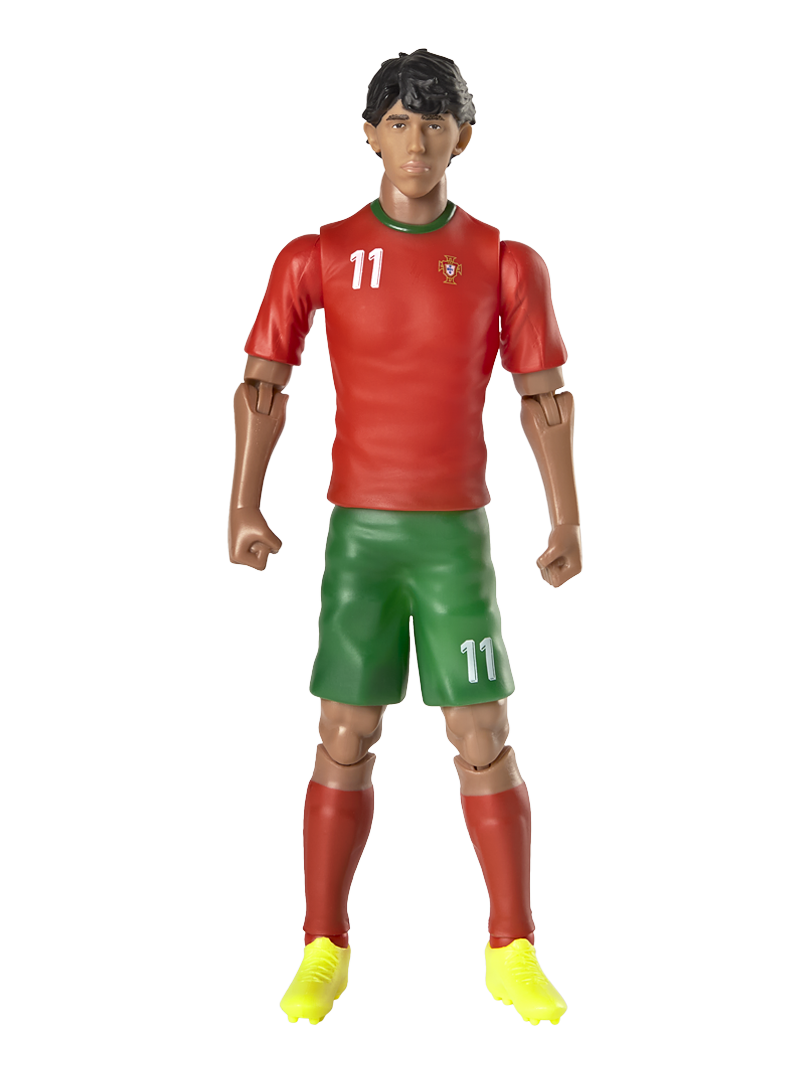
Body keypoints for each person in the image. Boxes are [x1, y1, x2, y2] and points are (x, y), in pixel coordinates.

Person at [228, 49, 580, 1025]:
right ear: (369, 133)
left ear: (463, 137)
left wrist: (565, 516)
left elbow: (544, 398)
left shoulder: (506, 261)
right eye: (397, 121)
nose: (416, 142)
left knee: (482, 733)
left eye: (434, 123)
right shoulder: (318, 255)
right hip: (362, 537)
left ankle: (512, 946)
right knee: (344, 733)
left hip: (454, 539)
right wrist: (243, 501)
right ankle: (323, 944)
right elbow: (263, 382)